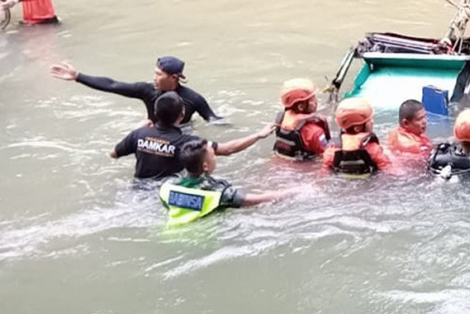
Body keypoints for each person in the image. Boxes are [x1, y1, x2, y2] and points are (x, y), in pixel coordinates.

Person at [110, 92, 273, 179]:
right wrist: (258, 135)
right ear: (182, 115)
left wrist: (136, 130)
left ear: (155, 112)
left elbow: (114, 154)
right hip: (165, 191)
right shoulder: (186, 142)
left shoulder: (139, 134)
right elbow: (227, 149)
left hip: (138, 190)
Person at [50, 57, 221, 129]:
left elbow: (214, 120)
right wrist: (78, 76)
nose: (154, 78)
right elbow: (112, 85)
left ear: (174, 77)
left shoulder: (193, 99)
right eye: (154, 73)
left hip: (181, 134)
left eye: (159, 74)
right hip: (154, 133)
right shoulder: (147, 90)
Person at [160, 139, 293, 225]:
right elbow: (254, 201)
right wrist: (292, 192)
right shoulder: (217, 193)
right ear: (205, 166)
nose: (215, 158)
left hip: (171, 233)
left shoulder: (168, 187)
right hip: (201, 239)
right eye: (213, 155)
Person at [322, 97, 390, 178]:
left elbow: (324, 172)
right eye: (369, 120)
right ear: (357, 128)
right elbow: (388, 170)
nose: (372, 122)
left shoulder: (332, 150)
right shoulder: (373, 149)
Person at [273, 78, 330, 160]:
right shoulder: (315, 132)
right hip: (304, 165)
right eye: (313, 98)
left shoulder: (281, 119)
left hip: (278, 160)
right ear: (301, 106)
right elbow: (326, 157)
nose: (316, 101)